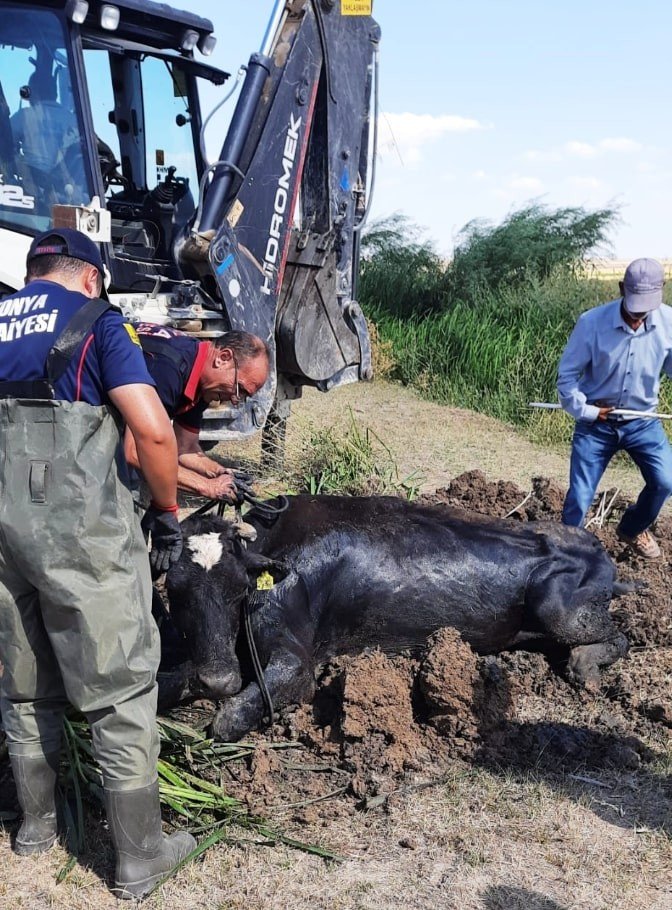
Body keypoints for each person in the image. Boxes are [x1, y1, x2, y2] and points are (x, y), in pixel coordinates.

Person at [0, 228, 195, 899]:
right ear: (89, 276)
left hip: (4, 535)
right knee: (118, 687)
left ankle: (33, 828)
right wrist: (167, 514)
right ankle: (140, 859)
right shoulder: (100, 323)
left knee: (23, 681)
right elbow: (154, 429)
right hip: (82, 537)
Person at [557, 257, 672, 558]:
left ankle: (632, 529)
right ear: (622, 288)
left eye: (645, 309)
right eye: (633, 306)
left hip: (643, 422)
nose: (637, 317)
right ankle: (565, 556)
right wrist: (588, 412)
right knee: (580, 499)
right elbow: (566, 378)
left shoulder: (669, 323)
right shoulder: (591, 323)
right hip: (597, 425)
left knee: (664, 482)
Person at [126, 324, 270, 501]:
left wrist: (220, 472)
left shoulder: (203, 378)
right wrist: (207, 486)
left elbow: (185, 447)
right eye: (239, 389)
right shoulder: (166, 369)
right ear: (223, 358)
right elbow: (135, 451)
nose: (234, 400)